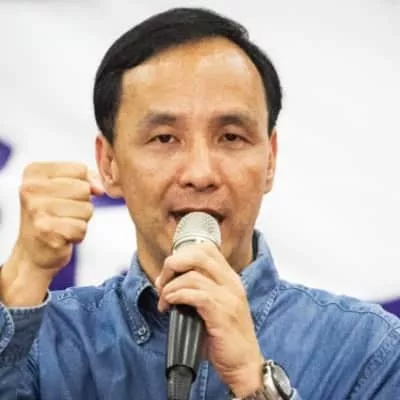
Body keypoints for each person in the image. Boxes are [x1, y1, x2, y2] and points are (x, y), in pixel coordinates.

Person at [0, 7, 399, 400]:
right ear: (109, 164)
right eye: (164, 138)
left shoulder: (369, 350)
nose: (200, 173)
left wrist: (254, 383)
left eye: (231, 137)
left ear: (270, 160)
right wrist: (23, 275)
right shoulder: (45, 341)